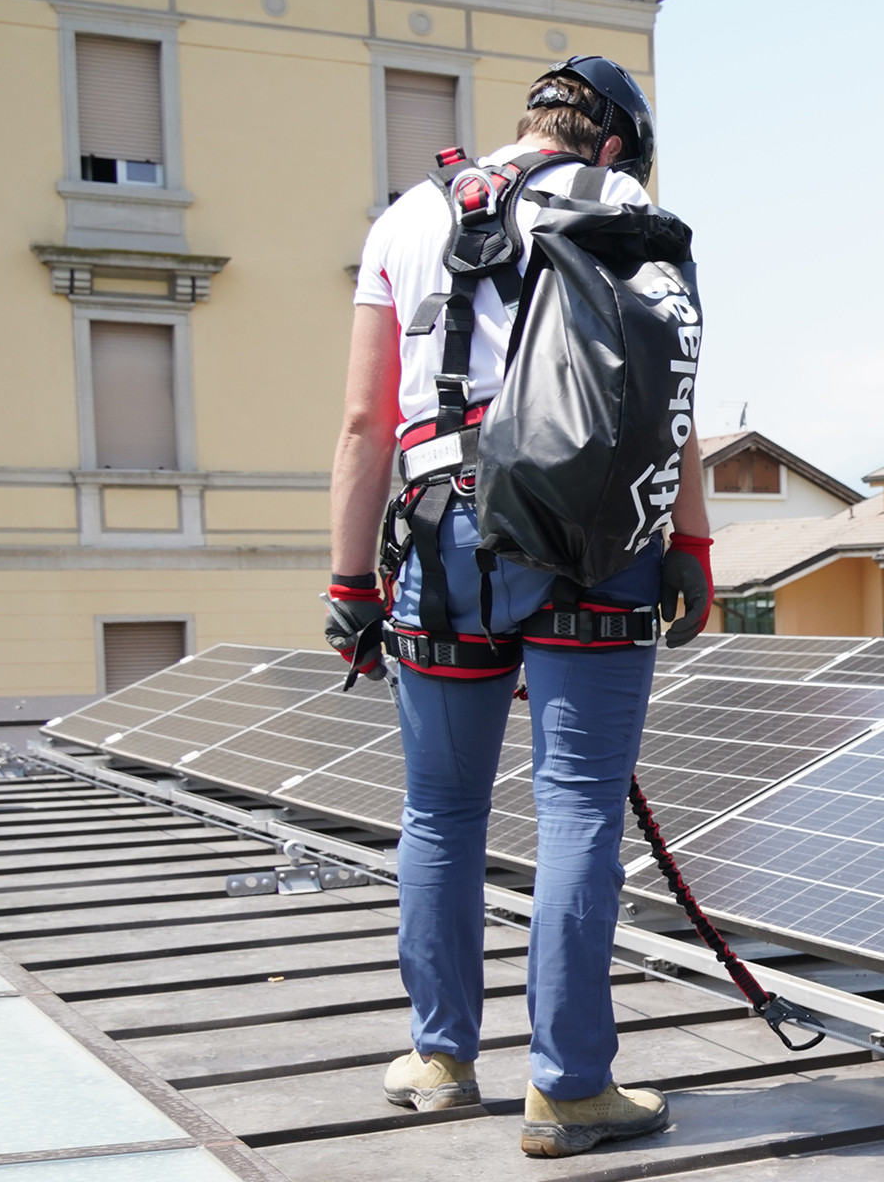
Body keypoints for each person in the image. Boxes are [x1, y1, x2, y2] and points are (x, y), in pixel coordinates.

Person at [322, 56, 712, 1159]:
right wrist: (690, 544)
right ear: (614, 145)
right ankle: (570, 1089)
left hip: (442, 538)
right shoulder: (632, 209)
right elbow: (669, 395)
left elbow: (362, 425)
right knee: (580, 807)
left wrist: (352, 581)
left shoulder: (407, 216)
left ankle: (441, 1060)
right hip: (596, 544)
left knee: (441, 811)